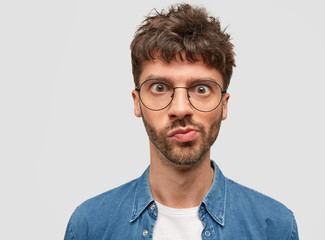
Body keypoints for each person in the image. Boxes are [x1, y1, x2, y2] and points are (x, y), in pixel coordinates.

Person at [64, 3, 299, 240]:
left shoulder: (274, 227)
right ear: (137, 102)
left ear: (224, 104)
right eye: (159, 87)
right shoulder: (89, 225)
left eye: (201, 88)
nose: (180, 108)